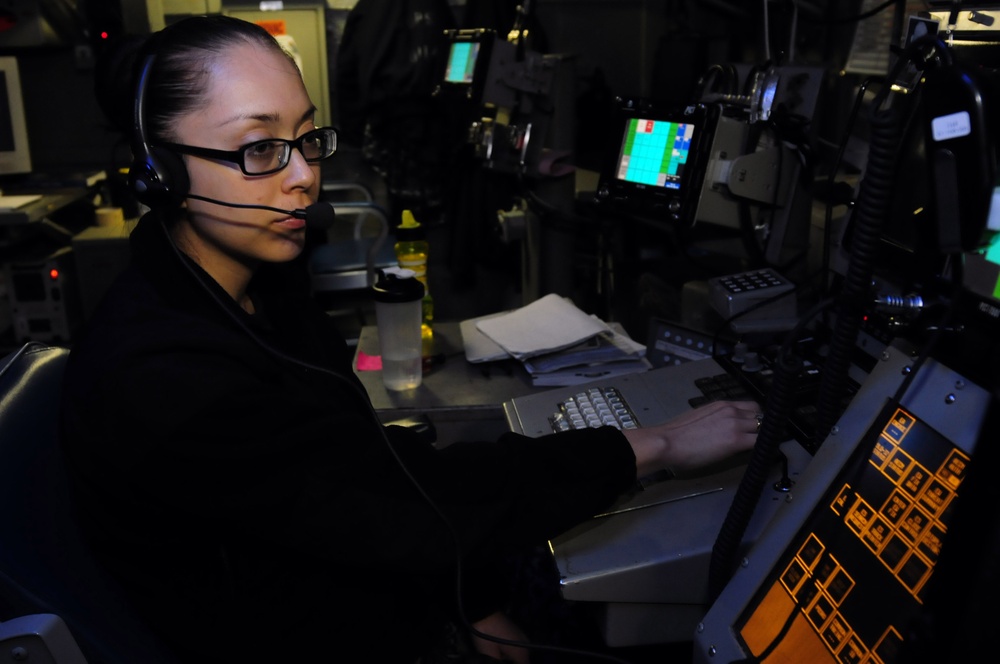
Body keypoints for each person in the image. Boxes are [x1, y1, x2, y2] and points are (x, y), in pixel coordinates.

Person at [59, 15, 761, 663]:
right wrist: (656, 445)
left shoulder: (258, 288)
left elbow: (357, 468)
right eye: (259, 148)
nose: (305, 177)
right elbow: (396, 509)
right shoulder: (161, 376)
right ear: (161, 173)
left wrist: (474, 597)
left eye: (306, 138)